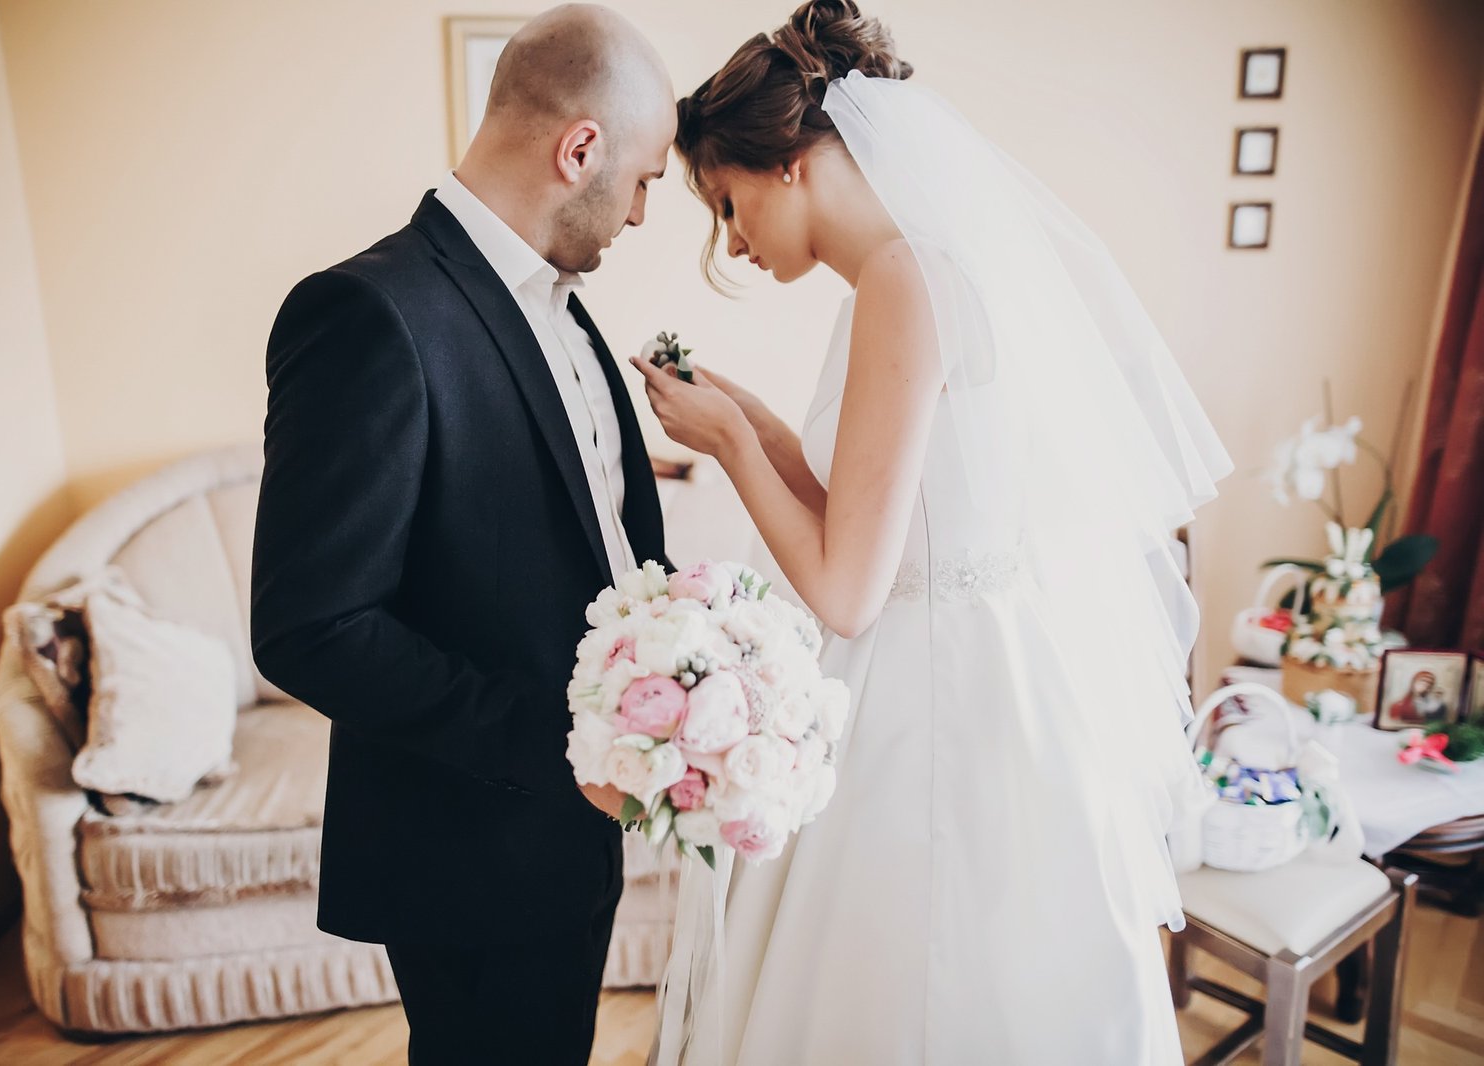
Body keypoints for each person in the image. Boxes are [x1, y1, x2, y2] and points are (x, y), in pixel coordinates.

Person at [632, 2, 1232, 1062]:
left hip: (934, 703)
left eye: (726, 205)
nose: (732, 241)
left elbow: (848, 589)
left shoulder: (906, 282)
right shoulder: (907, 276)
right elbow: (874, 516)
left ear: (790, 165)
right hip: (973, 673)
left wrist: (729, 444)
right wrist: (760, 425)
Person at [249, 7, 675, 1063]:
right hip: (471, 850)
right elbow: (312, 622)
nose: (641, 212)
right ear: (580, 149)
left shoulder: (565, 309)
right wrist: (556, 747)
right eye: (646, 179)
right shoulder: (366, 312)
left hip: (574, 836)